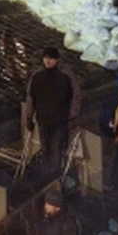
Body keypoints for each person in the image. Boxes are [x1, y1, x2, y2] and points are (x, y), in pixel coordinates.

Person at [25, 47, 80, 176]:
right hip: (43, 120)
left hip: (61, 120)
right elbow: (31, 98)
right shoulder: (37, 76)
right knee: (46, 150)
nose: (48, 61)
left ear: (57, 60)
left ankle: (54, 178)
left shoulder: (65, 76)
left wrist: (72, 116)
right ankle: (47, 177)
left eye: (51, 59)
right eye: (46, 58)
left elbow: (76, 96)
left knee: (56, 150)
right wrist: (29, 117)